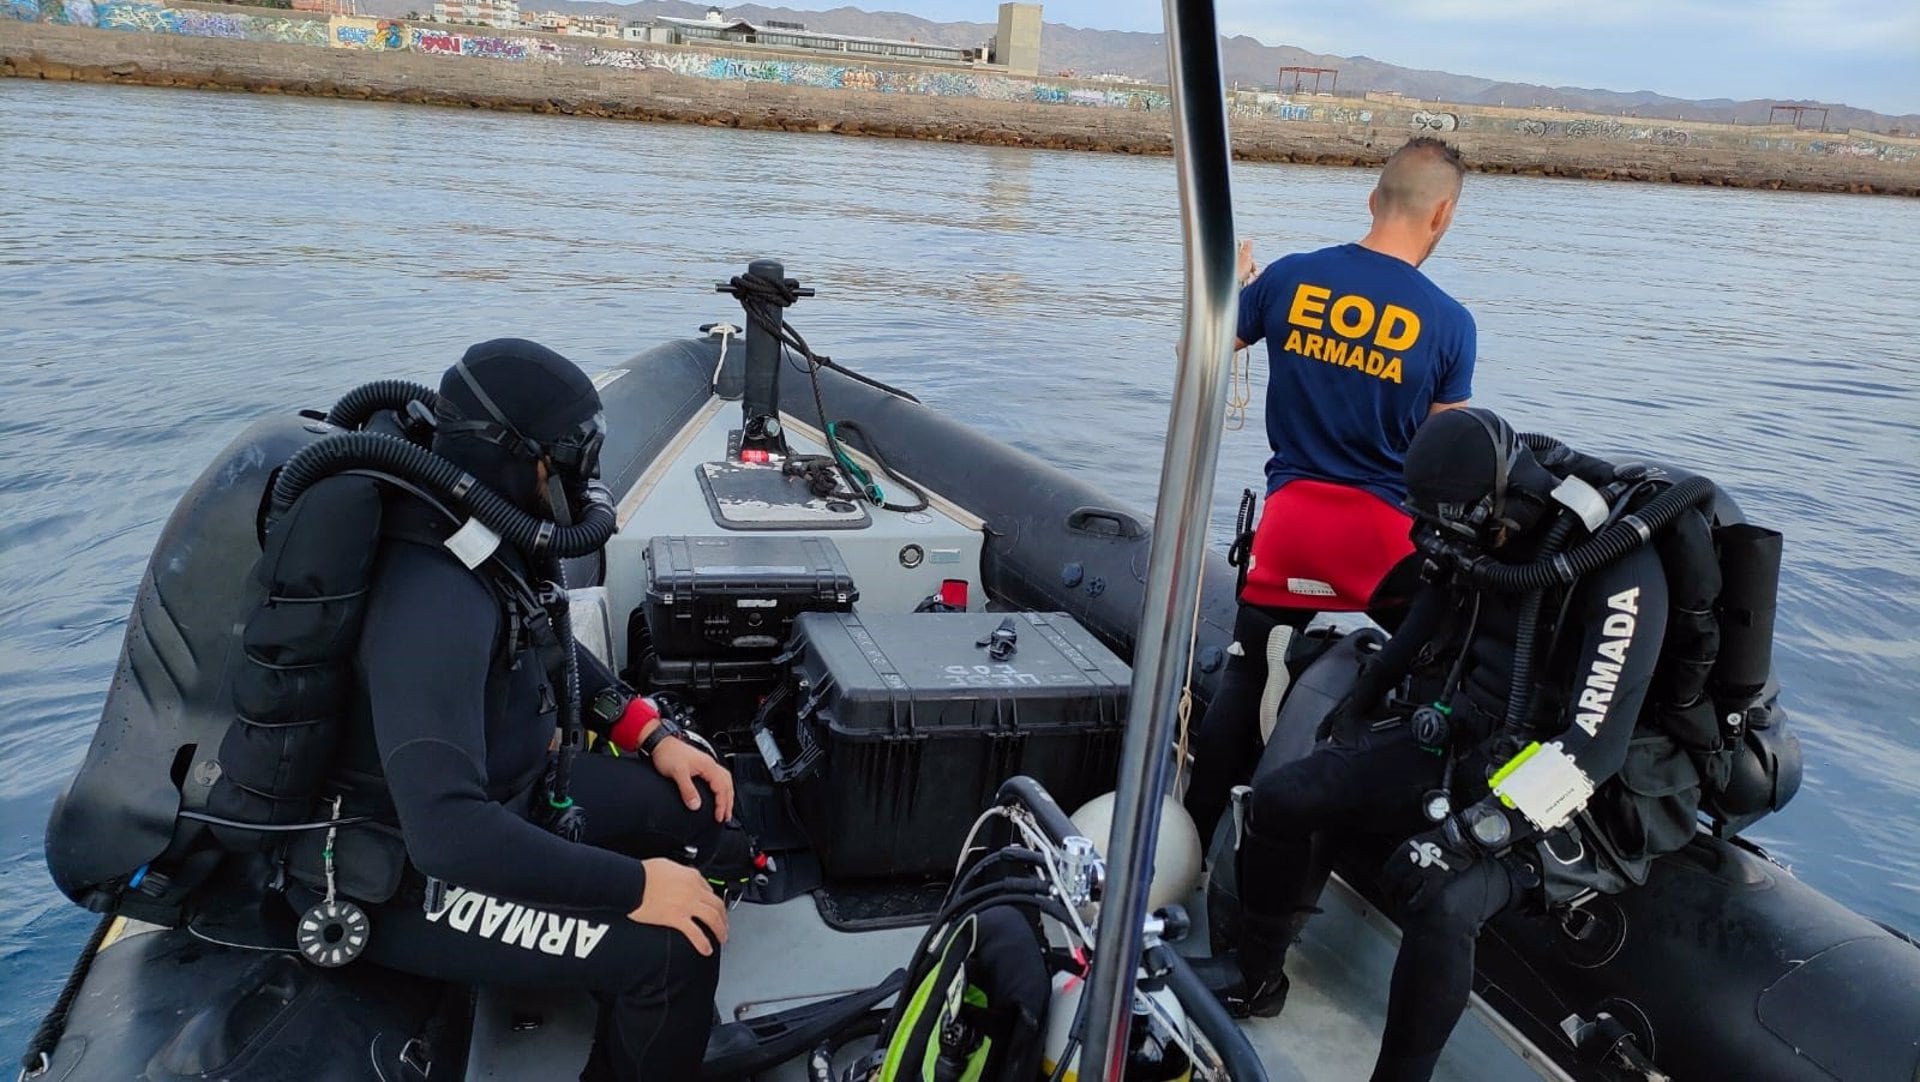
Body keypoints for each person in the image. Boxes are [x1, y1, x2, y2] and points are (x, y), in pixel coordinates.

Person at [1208, 407, 1705, 1082]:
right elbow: (1420, 623)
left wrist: (1472, 835)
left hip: (1562, 784)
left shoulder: (1619, 569)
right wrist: (1355, 712)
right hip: (1463, 735)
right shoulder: (1469, 536)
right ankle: (1255, 977)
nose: (1448, 543)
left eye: (1464, 530)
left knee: (1445, 898)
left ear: (1502, 504)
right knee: (1286, 795)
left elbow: (1593, 747)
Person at [302, 339, 738, 1081]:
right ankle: (651, 1000)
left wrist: (648, 730)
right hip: (413, 878)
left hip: (521, 795)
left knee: (701, 806)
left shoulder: (474, 532)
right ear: (513, 455)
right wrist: (637, 889)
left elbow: (542, 637)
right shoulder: (429, 597)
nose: (581, 475)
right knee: (675, 954)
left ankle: (653, 1003)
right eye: (569, 455)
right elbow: (447, 836)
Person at [1186, 136, 1480, 848]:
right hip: (1385, 545)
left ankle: (1192, 840)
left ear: (1374, 198)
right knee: (1428, 679)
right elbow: (1450, 464)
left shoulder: (1291, 278)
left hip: (1291, 525)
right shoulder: (1450, 323)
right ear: (1441, 215)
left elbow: (1197, 351)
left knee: (1248, 671)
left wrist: (1232, 290)